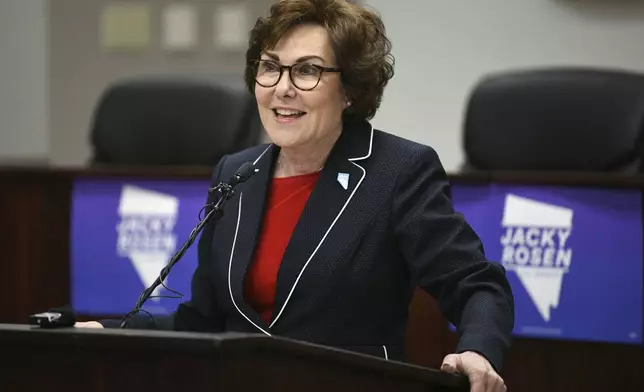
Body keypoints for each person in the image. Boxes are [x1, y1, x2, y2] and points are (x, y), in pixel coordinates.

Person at [77, 0, 514, 390]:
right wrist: (113, 332)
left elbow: (476, 284)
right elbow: (202, 321)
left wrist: (478, 350)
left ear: (350, 90)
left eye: (307, 70)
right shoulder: (236, 173)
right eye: (270, 67)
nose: (282, 87)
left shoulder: (397, 171)